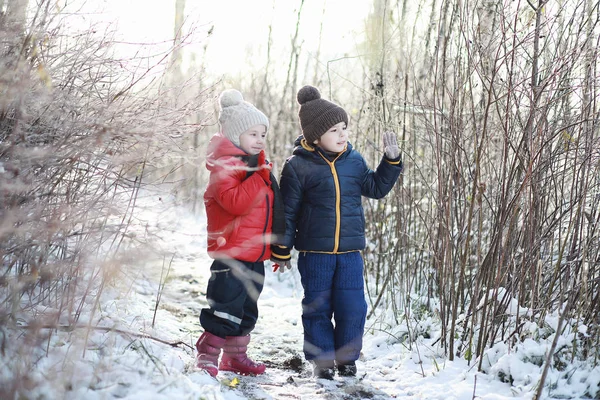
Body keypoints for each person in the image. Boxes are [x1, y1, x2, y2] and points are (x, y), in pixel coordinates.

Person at [270, 85, 402, 380]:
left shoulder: (353, 161)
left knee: (353, 307)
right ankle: (323, 361)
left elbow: (376, 188)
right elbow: (288, 212)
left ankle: (347, 359)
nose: (343, 134)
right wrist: (282, 249)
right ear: (315, 136)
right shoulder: (298, 167)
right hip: (315, 254)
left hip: (350, 253)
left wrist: (391, 162)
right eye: (334, 130)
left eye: (344, 128)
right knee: (317, 307)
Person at [196, 89, 285, 377]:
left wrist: (277, 246)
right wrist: (259, 179)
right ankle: (207, 355)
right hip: (232, 252)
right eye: (253, 134)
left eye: (262, 134)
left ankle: (235, 358)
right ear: (235, 136)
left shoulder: (254, 167)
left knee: (246, 307)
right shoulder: (226, 166)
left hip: (254, 253)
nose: (260, 140)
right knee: (224, 305)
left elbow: (271, 210)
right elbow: (236, 202)